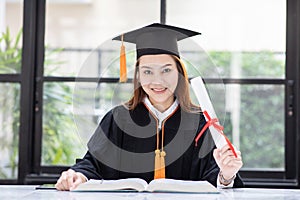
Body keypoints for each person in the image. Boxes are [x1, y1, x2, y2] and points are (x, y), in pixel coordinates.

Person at [55, 23, 244, 191]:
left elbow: (217, 176)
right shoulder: (118, 118)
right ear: (138, 75)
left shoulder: (200, 122)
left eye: (166, 70)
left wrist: (226, 175)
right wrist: (77, 175)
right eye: (147, 71)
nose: (157, 81)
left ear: (179, 73)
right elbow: (92, 163)